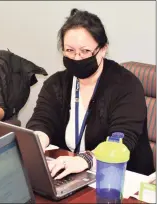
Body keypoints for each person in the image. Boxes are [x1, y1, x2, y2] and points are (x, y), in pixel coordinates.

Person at [27, 8, 154, 177]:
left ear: (102, 49)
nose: (77, 58)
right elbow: (42, 121)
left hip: (121, 178)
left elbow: (121, 140)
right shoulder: (56, 83)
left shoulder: (126, 85)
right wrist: (37, 140)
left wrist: (84, 160)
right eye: (69, 50)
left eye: (85, 51)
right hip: (71, 173)